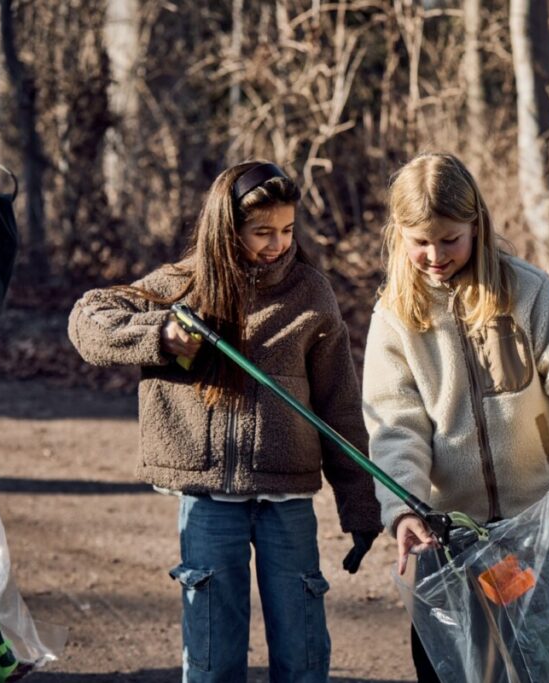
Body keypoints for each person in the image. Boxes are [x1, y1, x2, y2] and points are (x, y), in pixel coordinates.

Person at [68, 160, 382, 682]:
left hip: (288, 502)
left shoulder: (311, 293)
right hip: (209, 502)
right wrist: (161, 336)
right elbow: (88, 319)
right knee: (212, 661)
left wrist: (360, 505)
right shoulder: (179, 285)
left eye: (286, 230)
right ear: (226, 226)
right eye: (262, 232)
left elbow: (340, 406)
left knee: (304, 658)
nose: (277, 243)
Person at [361, 152, 549, 680]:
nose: (435, 255)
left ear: (477, 225)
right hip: (446, 538)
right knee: (458, 670)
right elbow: (394, 426)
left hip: (531, 533)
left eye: (450, 239)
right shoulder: (393, 318)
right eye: (421, 242)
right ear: (399, 236)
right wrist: (405, 508)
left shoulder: (527, 292)